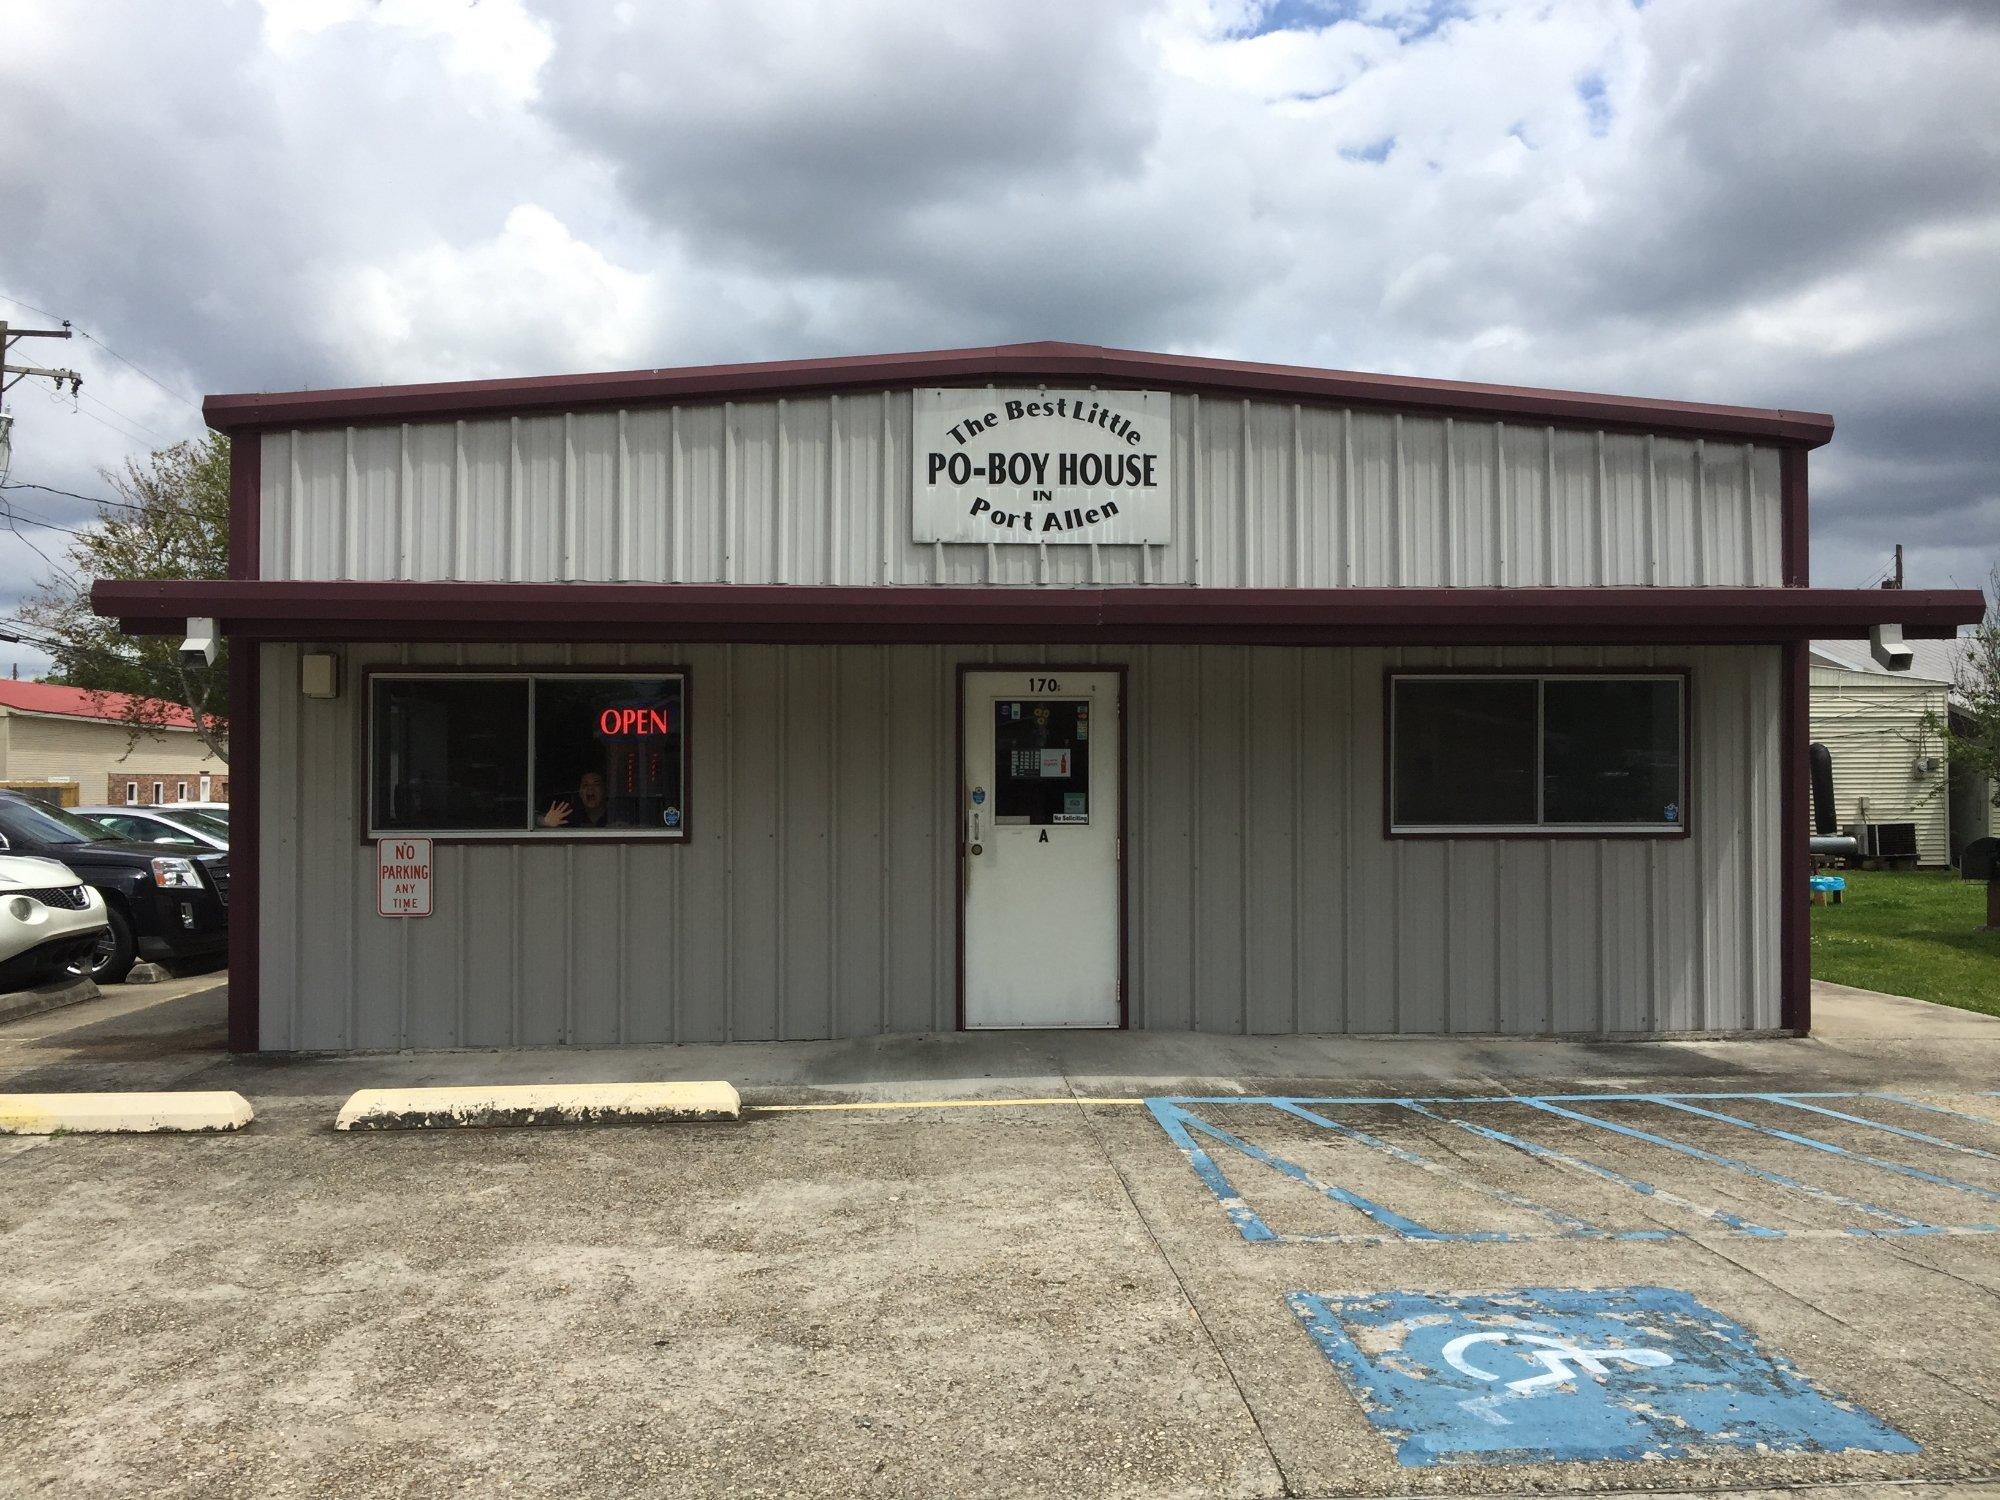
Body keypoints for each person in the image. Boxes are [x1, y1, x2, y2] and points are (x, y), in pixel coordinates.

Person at [539, 770, 615, 828]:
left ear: (605, 790)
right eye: (585, 785)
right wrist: (545, 822)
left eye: (596, 784)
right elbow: (532, 819)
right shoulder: (570, 813)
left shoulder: (616, 814)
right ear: (580, 792)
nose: (590, 788)